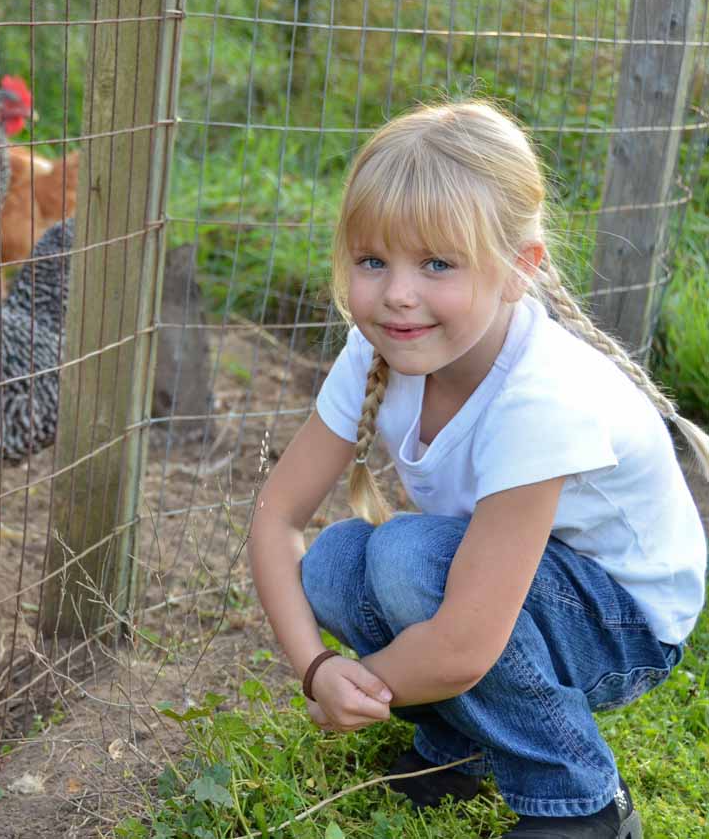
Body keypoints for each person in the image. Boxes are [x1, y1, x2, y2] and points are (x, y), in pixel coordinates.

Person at [248, 100, 707, 838]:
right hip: (515, 591)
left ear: (517, 269)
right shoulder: (376, 350)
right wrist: (314, 669)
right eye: (373, 260)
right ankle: (462, 745)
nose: (398, 292)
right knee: (335, 563)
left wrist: (361, 686)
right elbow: (277, 518)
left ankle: (581, 800)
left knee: (403, 556)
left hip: (626, 621)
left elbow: (463, 641)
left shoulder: (540, 395)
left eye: (436, 263)